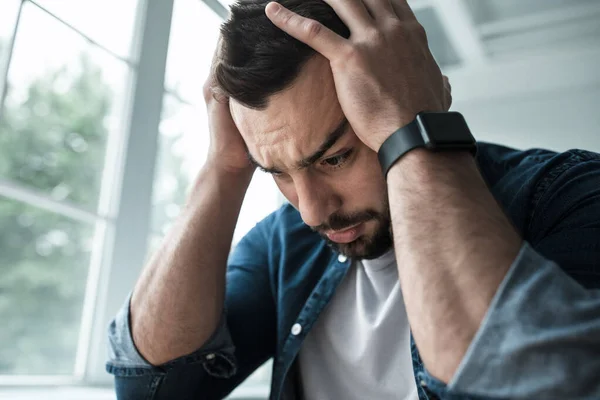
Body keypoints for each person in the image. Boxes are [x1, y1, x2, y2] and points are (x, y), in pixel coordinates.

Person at [106, 1, 600, 399]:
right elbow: (153, 388)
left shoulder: (568, 193)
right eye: (277, 173)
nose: (312, 212)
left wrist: (417, 130)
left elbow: (531, 383)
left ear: (423, 96)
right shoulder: (283, 242)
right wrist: (225, 167)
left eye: (335, 158)